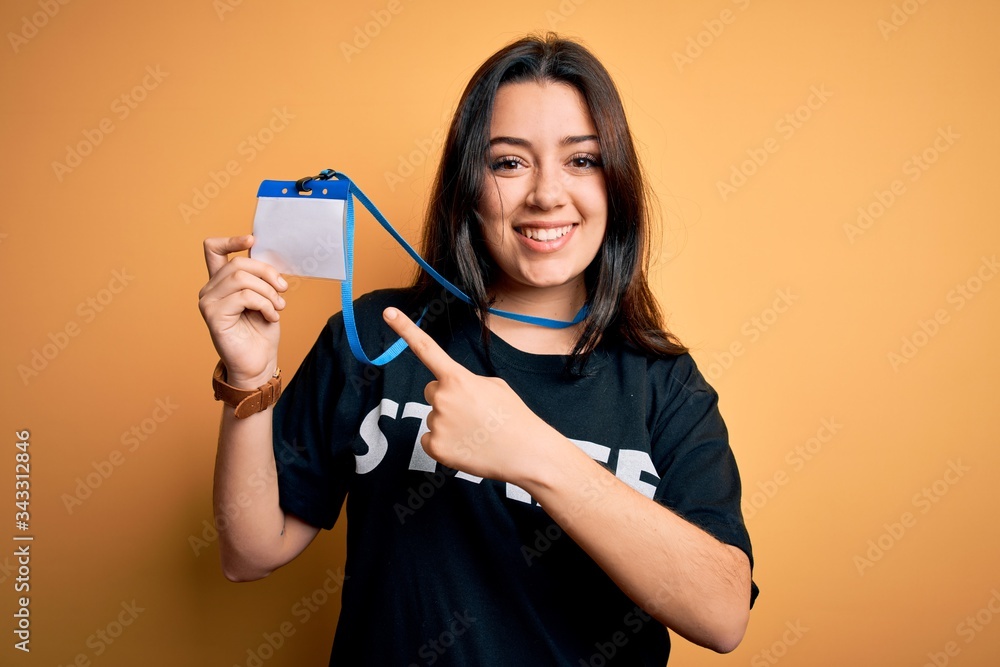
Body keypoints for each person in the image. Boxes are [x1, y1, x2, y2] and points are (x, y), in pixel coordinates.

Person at [198, 33, 758, 665]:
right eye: (509, 163)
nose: (547, 194)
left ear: (616, 185)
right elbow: (249, 552)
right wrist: (249, 377)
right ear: (469, 184)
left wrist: (532, 451)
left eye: (582, 160)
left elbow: (721, 614)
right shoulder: (377, 336)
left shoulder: (667, 383)